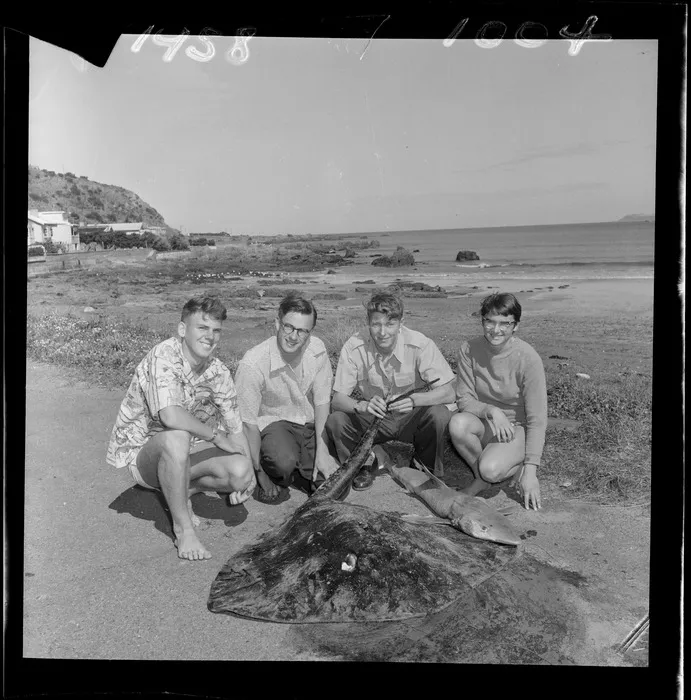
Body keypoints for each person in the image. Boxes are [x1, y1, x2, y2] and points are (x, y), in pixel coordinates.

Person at [106, 296, 255, 561]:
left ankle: (180, 490)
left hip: (187, 454)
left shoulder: (219, 372)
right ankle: (183, 529)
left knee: (240, 471)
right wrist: (214, 436)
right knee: (177, 436)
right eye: (202, 328)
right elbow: (170, 415)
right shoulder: (164, 355)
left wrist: (250, 477)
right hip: (146, 458)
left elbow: (235, 429)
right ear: (182, 330)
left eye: (216, 330)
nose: (210, 336)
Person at [326, 293, 456, 489]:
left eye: (390, 324)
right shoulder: (354, 346)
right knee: (336, 420)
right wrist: (362, 405)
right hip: (374, 418)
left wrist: (415, 400)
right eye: (376, 324)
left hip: (410, 418)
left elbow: (449, 393)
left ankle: (424, 465)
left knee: (439, 414)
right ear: (368, 322)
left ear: (401, 323)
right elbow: (337, 400)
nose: (383, 332)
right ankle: (363, 463)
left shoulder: (420, 343)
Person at [234, 294, 341, 504]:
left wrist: (323, 451)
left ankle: (302, 472)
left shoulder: (317, 350)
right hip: (272, 426)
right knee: (282, 461)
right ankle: (272, 470)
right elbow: (247, 425)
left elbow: (321, 402)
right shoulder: (253, 364)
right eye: (288, 327)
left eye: (302, 331)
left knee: (332, 487)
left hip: (306, 423)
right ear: (277, 323)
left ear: (310, 333)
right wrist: (259, 476)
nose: (293, 336)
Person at [449, 292, 547, 510]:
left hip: (516, 429)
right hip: (487, 422)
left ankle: (516, 467)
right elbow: (464, 399)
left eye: (505, 323)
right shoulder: (468, 349)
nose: (496, 329)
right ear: (482, 320)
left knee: (492, 469)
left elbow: (537, 420)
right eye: (490, 321)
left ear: (516, 326)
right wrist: (492, 410)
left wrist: (531, 471)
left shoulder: (528, 358)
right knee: (457, 424)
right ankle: (480, 479)